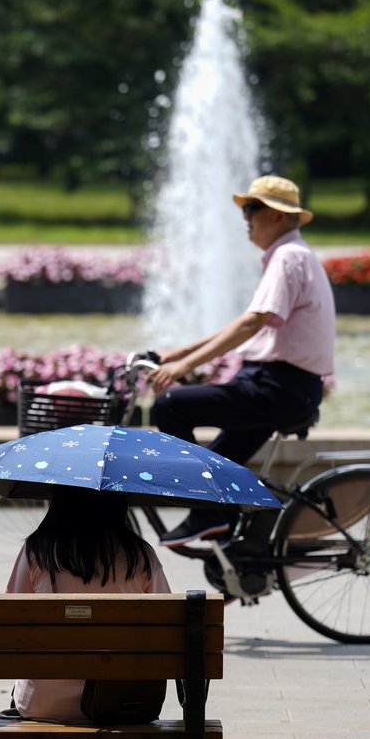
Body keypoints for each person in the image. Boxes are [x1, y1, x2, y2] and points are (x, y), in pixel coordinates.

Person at [148, 175, 335, 547]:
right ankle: (241, 553)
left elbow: (252, 322)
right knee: (218, 468)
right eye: (245, 209)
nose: (245, 216)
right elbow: (245, 321)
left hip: (276, 387)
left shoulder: (287, 257)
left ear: (280, 216)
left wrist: (182, 369)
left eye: (253, 208)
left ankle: (207, 515)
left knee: (169, 406)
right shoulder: (289, 256)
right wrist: (178, 354)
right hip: (280, 386)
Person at [6, 487, 171, 739]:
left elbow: (12, 619)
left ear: (59, 501)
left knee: (43, 710)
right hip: (118, 698)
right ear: (118, 503)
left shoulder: (37, 550)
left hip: (45, 699)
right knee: (117, 708)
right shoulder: (138, 553)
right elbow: (165, 626)